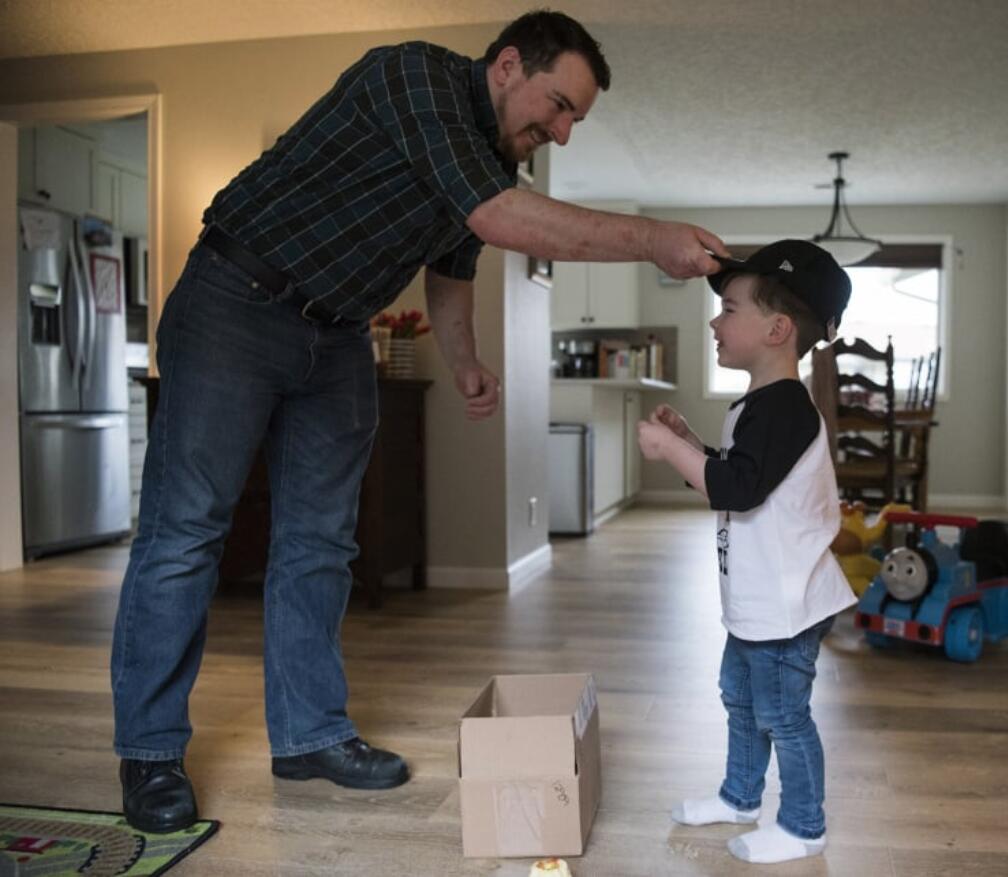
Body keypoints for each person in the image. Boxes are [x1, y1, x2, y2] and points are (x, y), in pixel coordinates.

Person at [112, 10, 728, 834]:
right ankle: (150, 753)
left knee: (321, 543)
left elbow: (453, 265)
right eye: (559, 105)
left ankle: (309, 733)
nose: (563, 133)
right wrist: (651, 239)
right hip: (236, 299)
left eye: (576, 119)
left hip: (336, 335)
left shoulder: (485, 157)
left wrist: (464, 358)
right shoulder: (412, 78)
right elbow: (496, 219)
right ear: (507, 64)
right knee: (186, 532)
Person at [636, 239, 856, 864]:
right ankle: (740, 796)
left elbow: (736, 487)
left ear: (778, 328)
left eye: (729, 308)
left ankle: (804, 825)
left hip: (785, 605)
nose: (714, 320)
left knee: (783, 715)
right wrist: (692, 445)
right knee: (739, 697)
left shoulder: (785, 406)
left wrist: (671, 452)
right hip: (758, 598)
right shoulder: (762, 406)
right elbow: (738, 476)